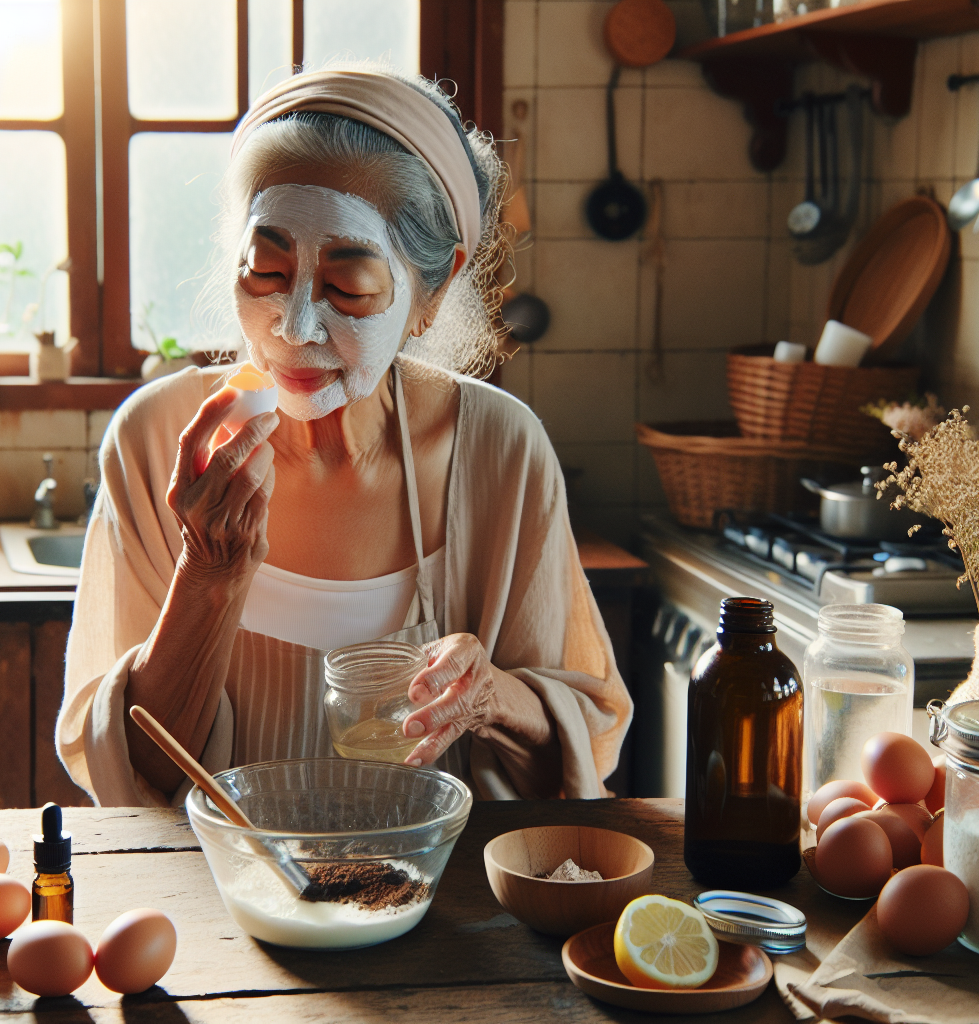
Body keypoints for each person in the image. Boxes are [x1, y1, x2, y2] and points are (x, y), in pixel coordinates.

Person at [57, 66, 631, 806]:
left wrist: (490, 694)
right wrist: (208, 572)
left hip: (437, 904)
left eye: (347, 288)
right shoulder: (156, 440)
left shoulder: (498, 450)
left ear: (431, 293)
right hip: (220, 897)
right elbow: (139, 777)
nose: (293, 328)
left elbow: (584, 737)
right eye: (264, 272)